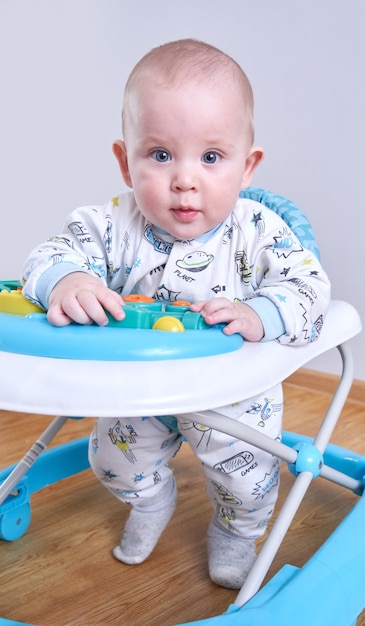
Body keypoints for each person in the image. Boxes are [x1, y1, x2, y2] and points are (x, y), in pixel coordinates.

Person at [22, 39, 331, 589]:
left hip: (234, 397)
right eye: (160, 155)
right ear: (125, 161)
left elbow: (309, 286)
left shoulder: (259, 231)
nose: (185, 179)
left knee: (248, 481)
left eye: (211, 158)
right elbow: (47, 257)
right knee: (112, 462)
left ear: (247, 165)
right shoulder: (114, 224)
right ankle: (151, 501)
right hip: (138, 392)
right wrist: (68, 279)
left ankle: (236, 535)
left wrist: (259, 312)